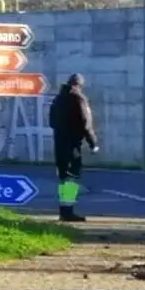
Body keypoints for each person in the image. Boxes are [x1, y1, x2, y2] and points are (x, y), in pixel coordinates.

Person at [48, 73, 99, 222]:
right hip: (73, 144)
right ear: (79, 85)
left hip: (59, 143)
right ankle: (67, 211)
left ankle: (64, 210)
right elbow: (86, 123)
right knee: (71, 177)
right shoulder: (78, 98)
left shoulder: (57, 99)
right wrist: (93, 142)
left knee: (64, 178)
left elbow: (51, 121)